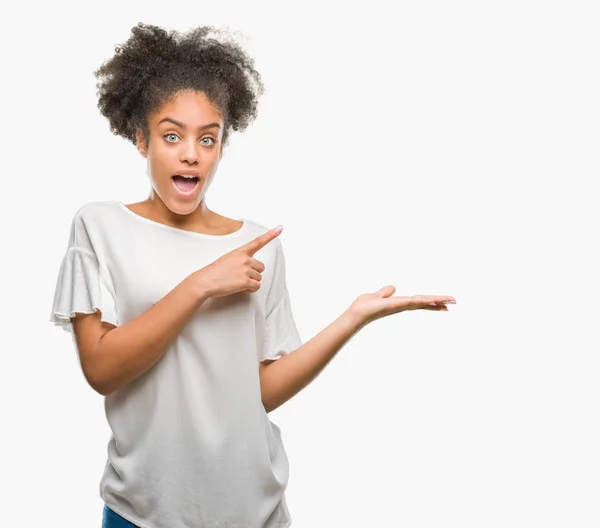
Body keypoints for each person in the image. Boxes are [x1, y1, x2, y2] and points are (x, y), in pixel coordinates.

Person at [48, 22, 456, 528]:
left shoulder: (258, 245)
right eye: (171, 135)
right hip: (144, 512)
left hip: (252, 511)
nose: (191, 153)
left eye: (208, 138)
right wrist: (201, 285)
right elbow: (101, 370)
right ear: (140, 139)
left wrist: (352, 320)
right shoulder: (100, 225)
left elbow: (259, 391)